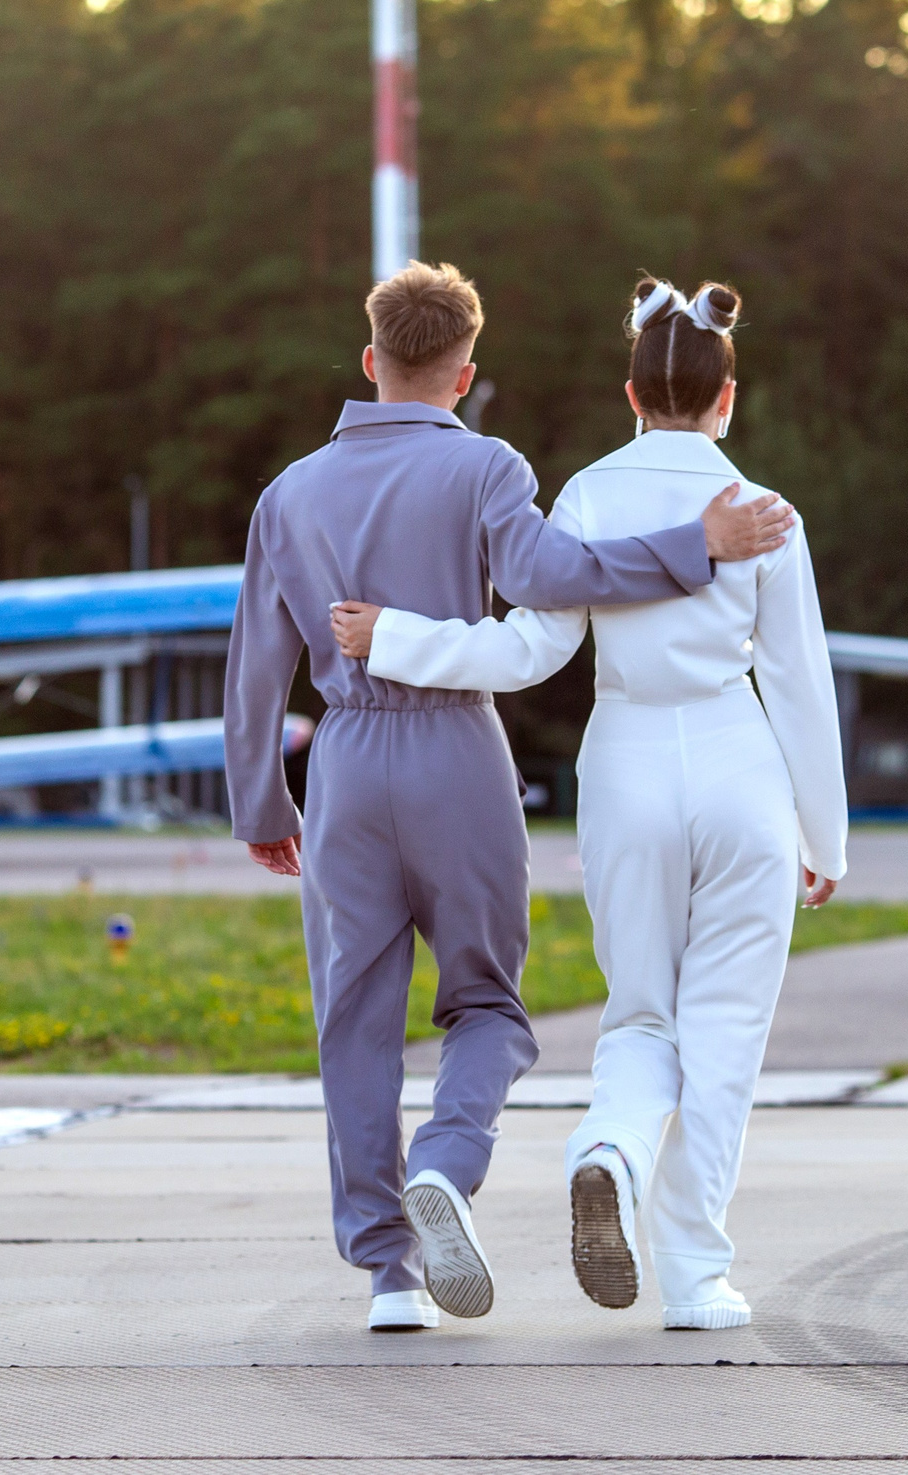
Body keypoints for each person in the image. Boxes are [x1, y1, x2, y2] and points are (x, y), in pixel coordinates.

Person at [222, 261, 795, 1333]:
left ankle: (390, 1274)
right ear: (465, 371)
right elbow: (552, 578)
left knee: (353, 1018)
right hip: (455, 755)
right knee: (485, 1002)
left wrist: (262, 803)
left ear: (369, 360)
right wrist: (695, 550)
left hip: (343, 760)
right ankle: (445, 1161)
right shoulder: (487, 468)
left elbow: (255, 664)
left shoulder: (287, 493)